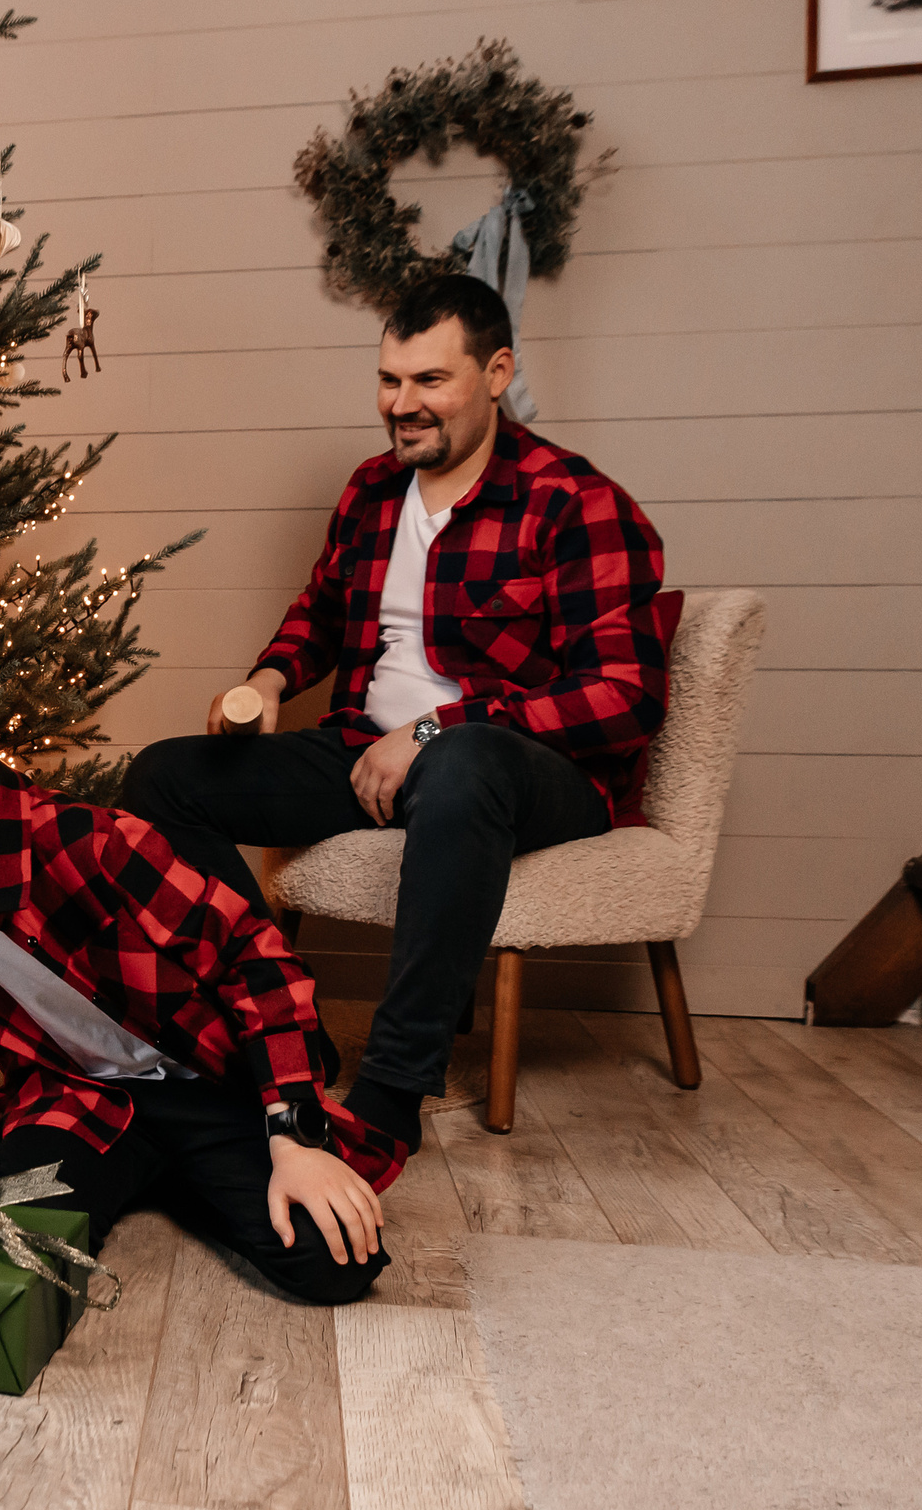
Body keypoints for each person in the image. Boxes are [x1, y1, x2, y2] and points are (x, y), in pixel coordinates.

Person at [120, 274, 669, 1155]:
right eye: (389, 380)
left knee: (462, 762)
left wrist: (431, 732)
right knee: (162, 776)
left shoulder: (573, 501)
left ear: (496, 373)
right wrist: (265, 680)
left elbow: (625, 697)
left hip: (523, 772)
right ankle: (281, 1023)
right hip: (364, 748)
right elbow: (322, 615)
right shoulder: (372, 491)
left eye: (429, 382)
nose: (401, 405)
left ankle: (388, 1096)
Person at [0, 652, 408, 1305]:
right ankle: (135, 1170)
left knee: (332, 1258)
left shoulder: (96, 844)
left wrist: (295, 1137)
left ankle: (177, 1171)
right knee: (8, 1260)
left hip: (204, 1087)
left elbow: (261, 959)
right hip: (75, 1097)